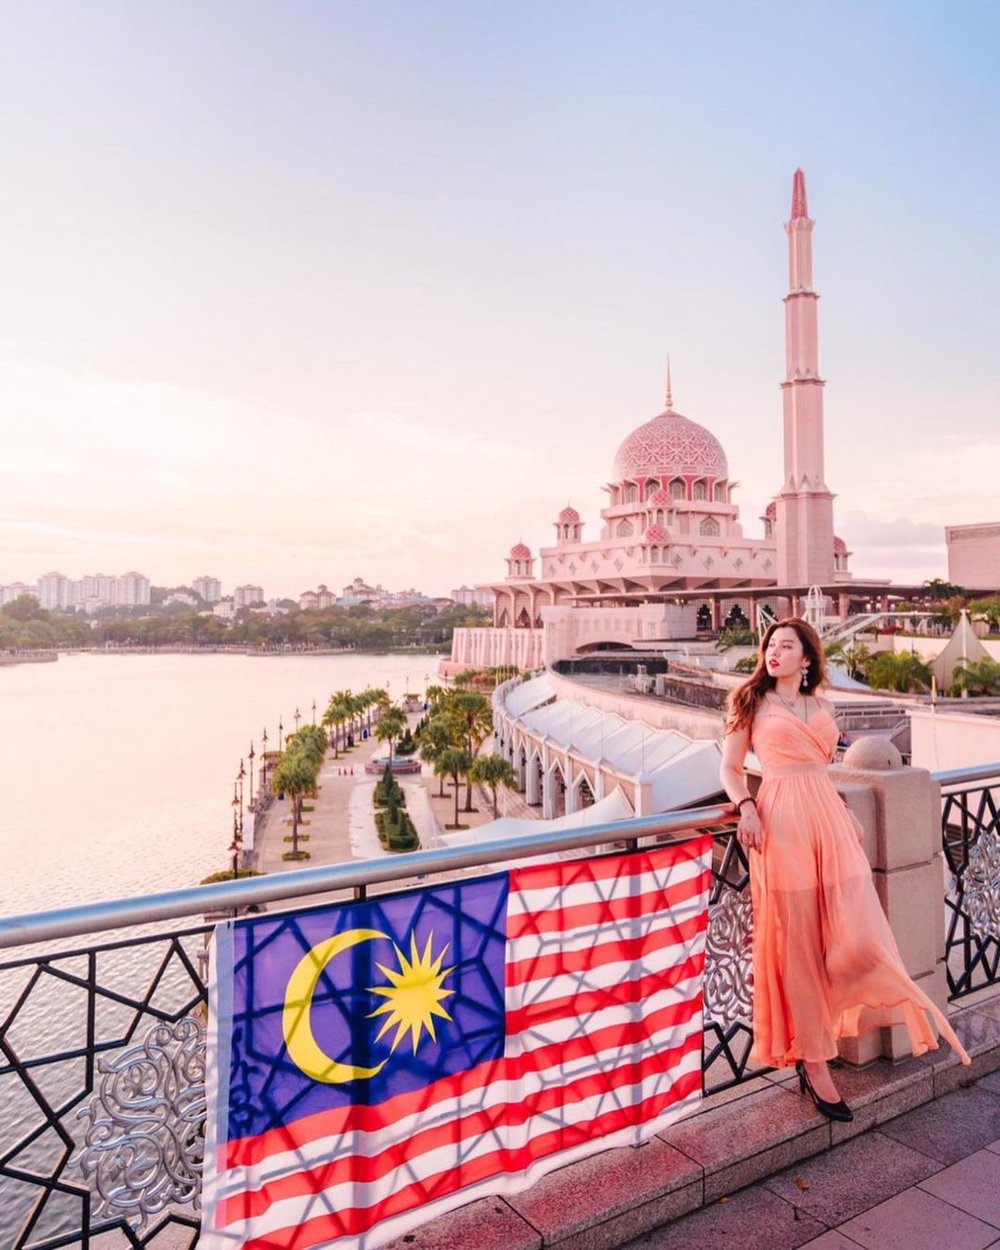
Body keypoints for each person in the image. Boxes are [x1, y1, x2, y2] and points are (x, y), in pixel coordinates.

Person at [720, 617, 969, 1122]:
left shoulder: (823, 706)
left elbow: (822, 770)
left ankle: (869, 1010)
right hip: (782, 820)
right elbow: (729, 767)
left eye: (786, 646)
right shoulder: (749, 702)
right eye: (770, 645)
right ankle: (815, 1063)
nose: (774, 652)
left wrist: (840, 806)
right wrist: (745, 805)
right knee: (799, 945)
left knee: (855, 933)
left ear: (806, 658)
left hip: (829, 820)